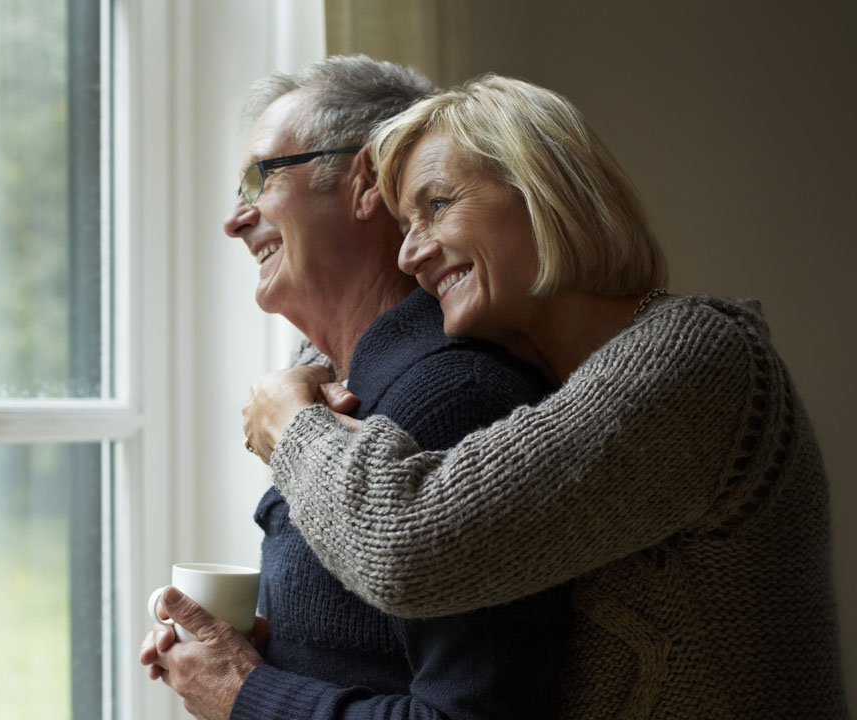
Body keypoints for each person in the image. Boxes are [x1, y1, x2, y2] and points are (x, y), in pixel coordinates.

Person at [240, 73, 849, 718]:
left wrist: (294, 424)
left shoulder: (701, 358)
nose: (412, 253)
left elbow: (411, 547)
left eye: (437, 205)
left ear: (542, 192)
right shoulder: (559, 386)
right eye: (404, 222)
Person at [140, 57, 573, 720]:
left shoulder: (453, 397)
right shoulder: (349, 389)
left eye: (259, 178)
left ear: (367, 180)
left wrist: (241, 693)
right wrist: (258, 652)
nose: (234, 220)